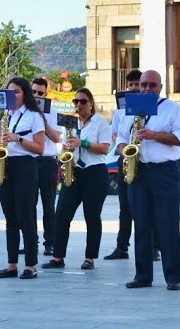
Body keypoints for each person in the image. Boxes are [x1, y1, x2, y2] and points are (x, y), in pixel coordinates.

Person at [119, 69, 180, 291]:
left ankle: (173, 277)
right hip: (139, 170)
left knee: (167, 224)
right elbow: (120, 139)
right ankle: (143, 275)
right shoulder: (130, 109)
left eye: (152, 85)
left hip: (164, 172)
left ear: (160, 87)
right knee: (141, 224)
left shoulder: (172, 108)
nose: (147, 89)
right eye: (144, 85)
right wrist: (126, 151)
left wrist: (154, 135)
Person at [43, 89, 112, 271]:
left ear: (91, 103)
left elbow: (105, 148)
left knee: (92, 216)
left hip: (94, 173)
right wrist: (65, 151)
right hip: (74, 172)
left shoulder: (100, 123)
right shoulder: (71, 123)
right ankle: (58, 257)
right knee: (62, 215)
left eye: (82, 102)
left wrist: (84, 143)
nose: (78, 105)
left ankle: (90, 258)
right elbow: (65, 145)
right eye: (76, 102)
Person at [0, 77, 47, 280]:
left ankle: (31, 265)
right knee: (10, 218)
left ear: (25, 93)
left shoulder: (34, 116)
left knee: (25, 215)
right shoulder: (6, 115)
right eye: (9, 92)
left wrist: (18, 138)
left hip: (26, 165)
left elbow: (40, 148)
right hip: (7, 165)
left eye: (16, 92)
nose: (12, 96)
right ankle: (11, 264)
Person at [105, 69, 151, 261]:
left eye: (136, 85)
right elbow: (115, 134)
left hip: (145, 159)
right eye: (130, 85)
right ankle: (121, 247)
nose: (132, 88)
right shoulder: (120, 110)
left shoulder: (149, 106)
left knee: (149, 206)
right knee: (125, 206)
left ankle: (153, 247)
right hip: (125, 157)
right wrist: (125, 147)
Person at [31, 77, 63, 257]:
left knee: (48, 204)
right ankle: (30, 240)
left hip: (47, 161)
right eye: (34, 92)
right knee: (28, 204)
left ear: (46, 93)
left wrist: (42, 121)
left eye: (40, 93)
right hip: (29, 161)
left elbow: (57, 138)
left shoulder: (53, 111)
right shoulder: (24, 110)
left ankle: (50, 242)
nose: (36, 96)